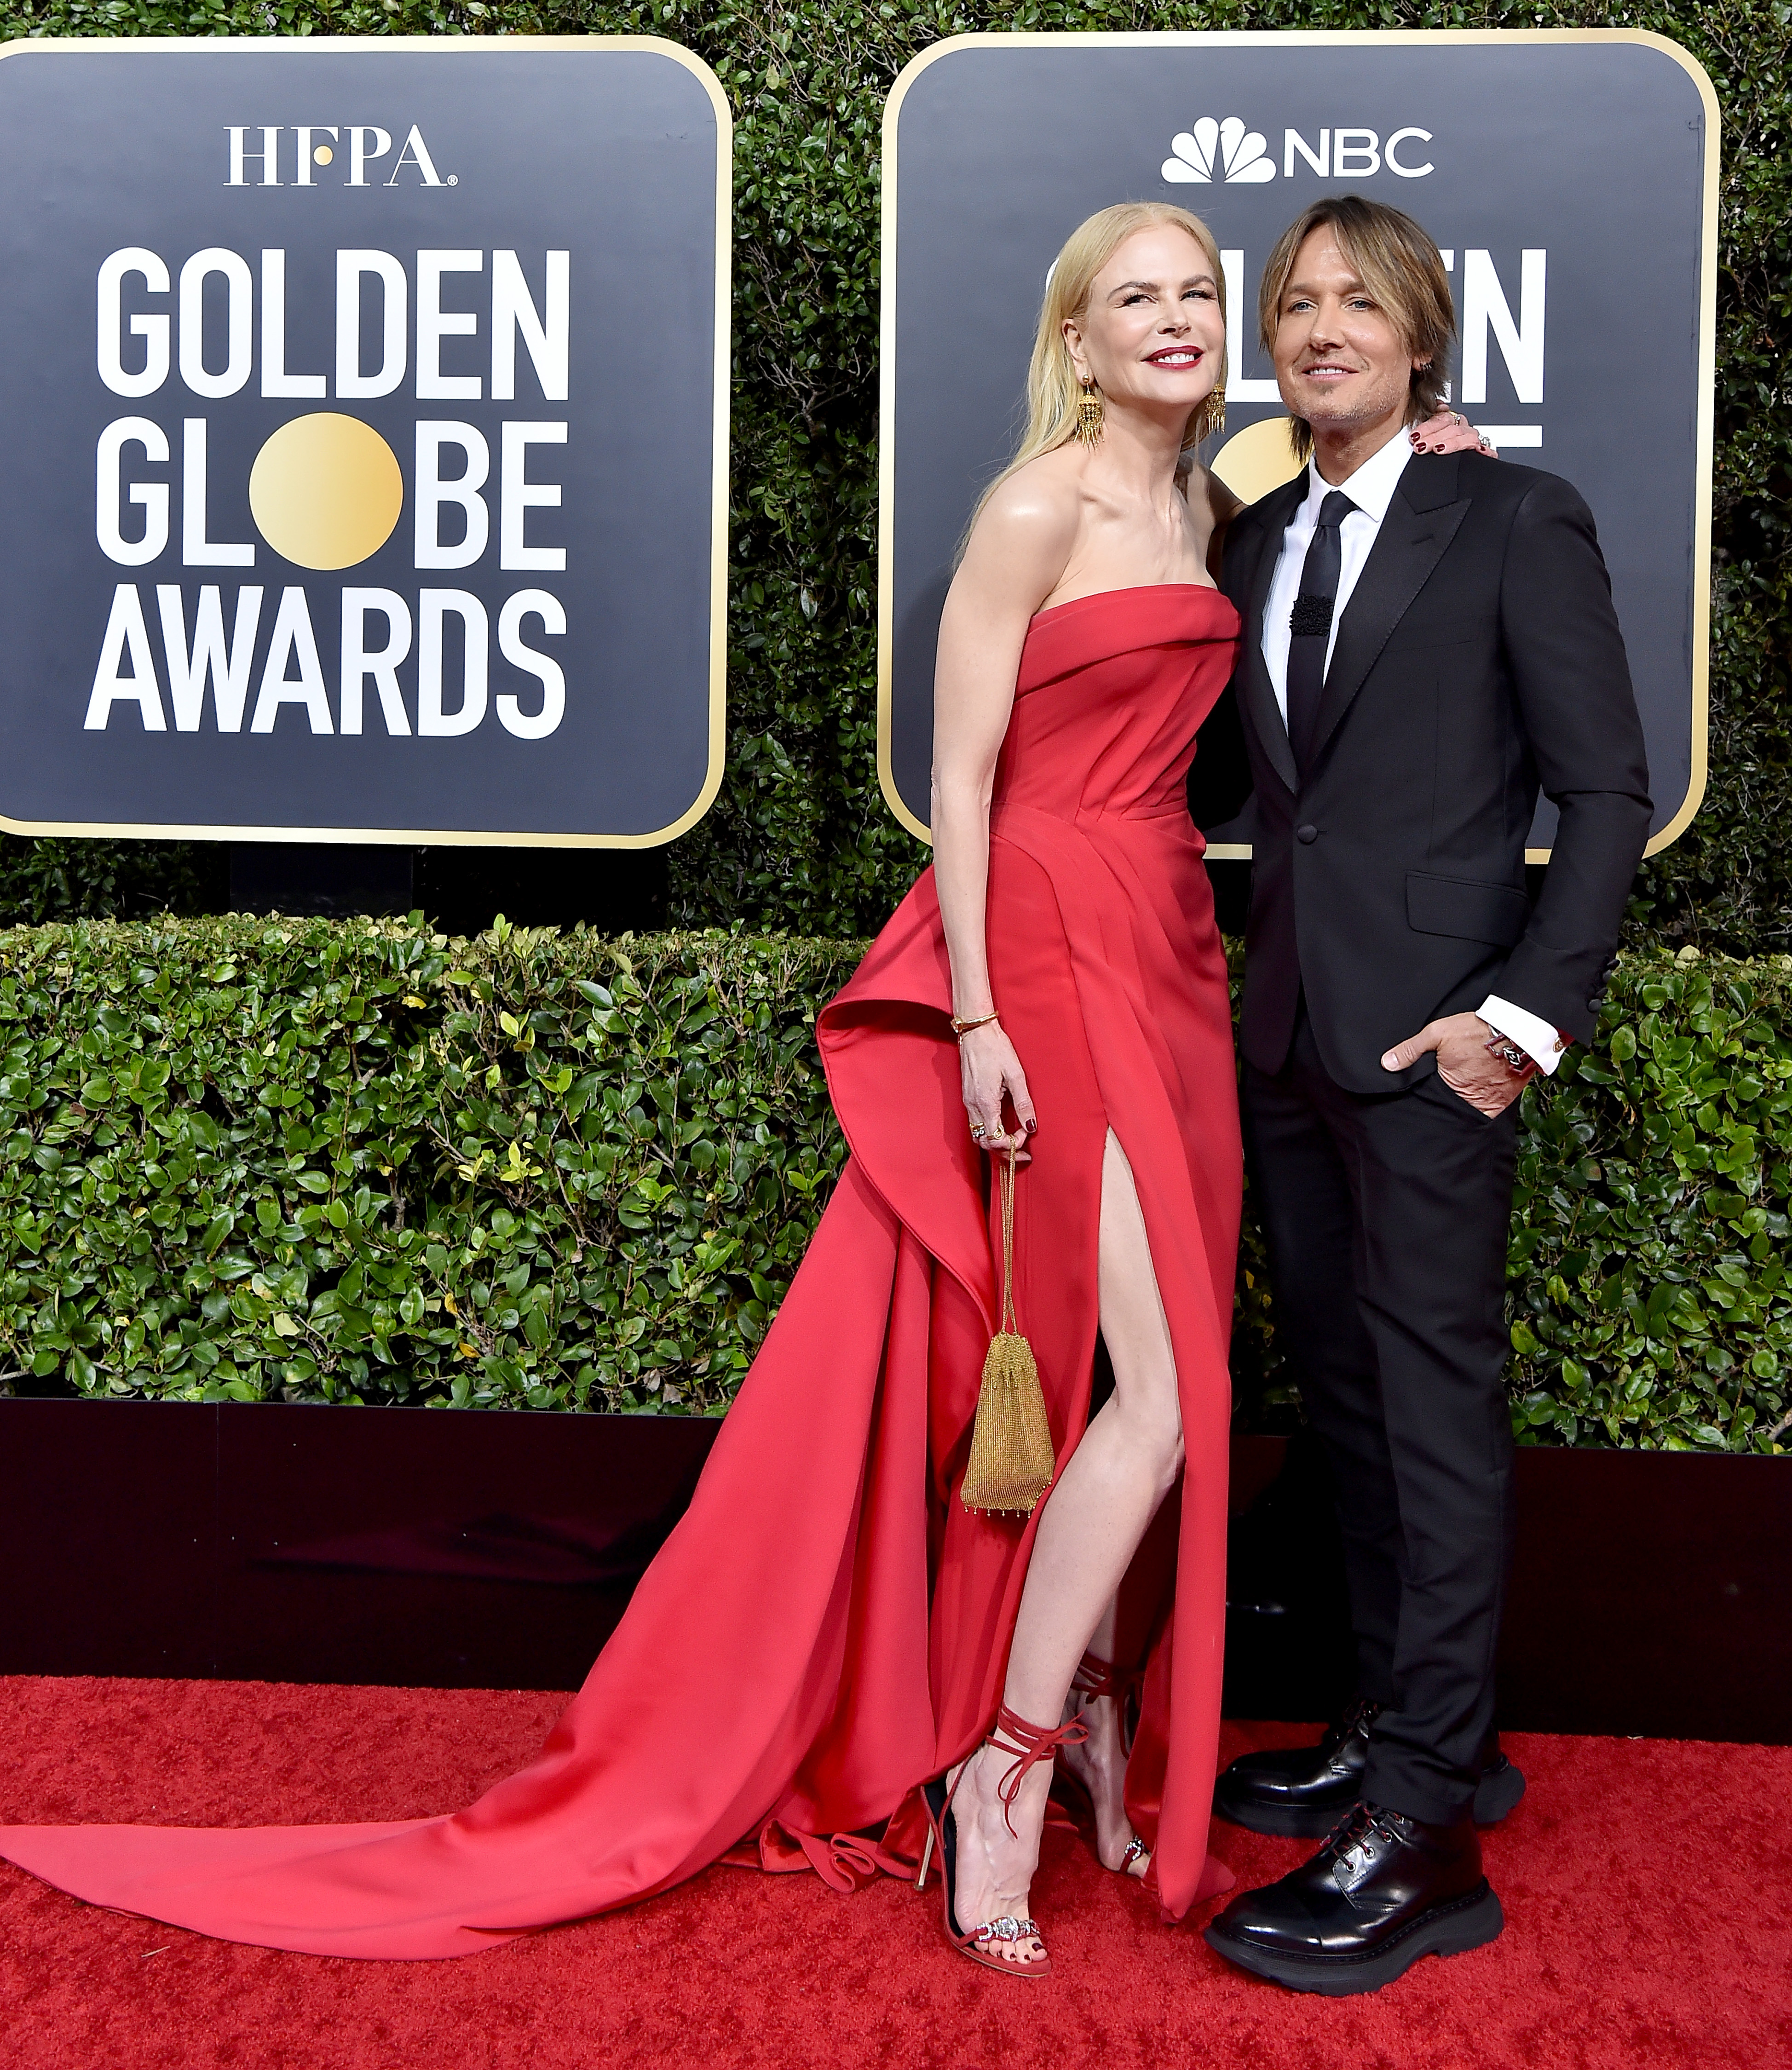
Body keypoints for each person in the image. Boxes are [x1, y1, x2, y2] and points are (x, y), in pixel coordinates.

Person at [0, 201, 1251, 1976]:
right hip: (1052, 945)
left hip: (1178, 950)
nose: (1176, 318)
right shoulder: (1035, 504)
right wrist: (978, 1016)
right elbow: (958, 779)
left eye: (1198, 290)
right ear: (1076, 335)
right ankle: (1005, 1762)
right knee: (1163, 1397)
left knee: (1138, 1365)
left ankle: (1098, 1720)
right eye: (1138, 296)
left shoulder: (1211, 508)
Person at [1192, 195, 1651, 1996]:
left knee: (1435, 1409)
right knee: (1354, 1406)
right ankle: (1405, 1735)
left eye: (1353, 303)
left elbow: (1602, 793)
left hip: (1431, 1046)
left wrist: (1516, 1021)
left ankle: (1429, 1844)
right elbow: (1245, 782)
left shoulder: (1508, 512)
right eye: (1292, 305)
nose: (1317, 328)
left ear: (1416, 337)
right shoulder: (1255, 539)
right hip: (1292, 1034)